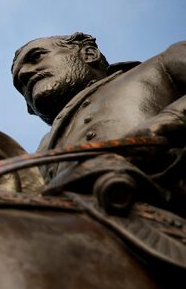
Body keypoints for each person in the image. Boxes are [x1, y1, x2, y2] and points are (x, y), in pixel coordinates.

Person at [11, 33, 186, 189]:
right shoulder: (42, 151)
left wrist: (168, 122)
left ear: (88, 54)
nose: (24, 73)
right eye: (21, 85)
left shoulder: (162, 64)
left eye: (36, 57)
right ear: (30, 108)